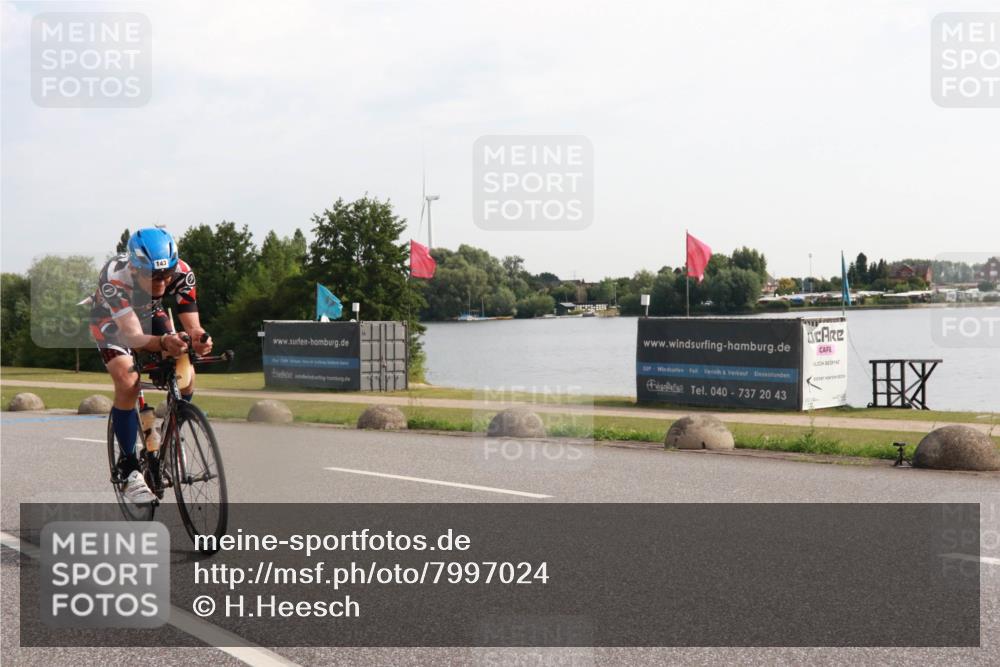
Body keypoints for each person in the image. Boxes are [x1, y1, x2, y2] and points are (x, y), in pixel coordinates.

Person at [89, 228, 212, 503]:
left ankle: (170, 430)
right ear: (134, 268)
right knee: (128, 380)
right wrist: (165, 341)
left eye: (166, 274)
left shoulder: (181, 271)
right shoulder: (114, 276)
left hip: (150, 314)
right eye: (152, 276)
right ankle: (130, 467)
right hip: (111, 322)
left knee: (186, 374)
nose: (161, 282)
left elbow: (192, 324)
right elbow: (132, 336)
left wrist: (199, 339)